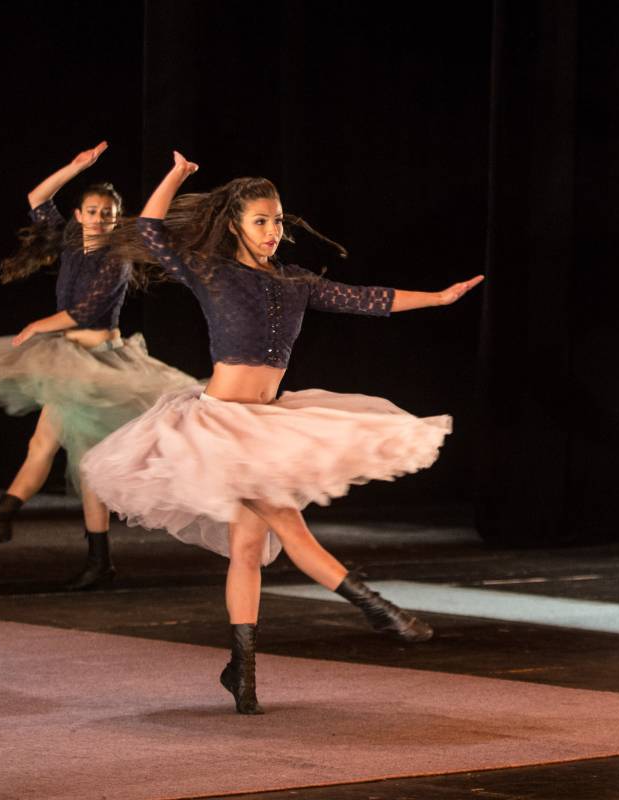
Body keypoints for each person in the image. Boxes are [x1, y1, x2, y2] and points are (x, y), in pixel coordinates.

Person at [81, 152, 483, 714]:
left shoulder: (294, 282)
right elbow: (148, 231)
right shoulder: (212, 270)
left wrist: (438, 298)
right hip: (220, 426)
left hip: (267, 423)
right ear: (236, 225)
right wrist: (176, 177)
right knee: (288, 525)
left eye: (278, 221)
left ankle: (240, 674)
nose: (273, 232)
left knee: (247, 549)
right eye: (261, 221)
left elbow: (365, 298)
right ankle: (374, 607)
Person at [0, 142, 197, 589]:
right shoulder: (70, 241)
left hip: (102, 367)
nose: (100, 219)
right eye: (92, 211)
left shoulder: (117, 259)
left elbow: (84, 313)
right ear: (80, 215)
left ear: (116, 218)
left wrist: (36, 325)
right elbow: (36, 199)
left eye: (108, 214)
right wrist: (73, 166)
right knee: (52, 449)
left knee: (74, 457)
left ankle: (14, 518)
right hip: (69, 362)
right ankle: (26, 525)